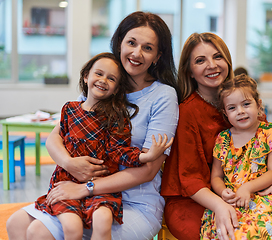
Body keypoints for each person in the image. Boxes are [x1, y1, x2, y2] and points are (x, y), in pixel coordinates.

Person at [7, 11, 179, 240]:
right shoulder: (103, 84)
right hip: (80, 192)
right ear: (120, 44)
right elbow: (54, 137)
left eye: (147, 48)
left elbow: (148, 170)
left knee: (39, 232)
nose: (137, 53)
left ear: (158, 56)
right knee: (16, 224)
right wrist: (70, 164)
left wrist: (86, 187)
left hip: (133, 201)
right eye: (131, 42)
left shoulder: (163, 95)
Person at [161, 32, 272, 240]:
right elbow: (190, 179)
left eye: (218, 57)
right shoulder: (187, 112)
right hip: (196, 200)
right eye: (200, 60)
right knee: (239, 234)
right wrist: (219, 204)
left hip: (249, 195)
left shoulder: (246, 103)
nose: (212, 65)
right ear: (189, 71)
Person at [34, 52, 173, 240]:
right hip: (68, 182)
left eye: (111, 78)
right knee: (69, 227)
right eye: (98, 74)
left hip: (102, 186)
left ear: (117, 89)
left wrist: (146, 156)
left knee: (102, 219)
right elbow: (55, 138)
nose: (103, 80)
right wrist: (68, 162)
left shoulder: (116, 117)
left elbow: (119, 151)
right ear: (86, 76)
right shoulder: (70, 109)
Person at [200, 74, 272, 239]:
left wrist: (248, 188)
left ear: (258, 105)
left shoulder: (269, 132)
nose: (241, 111)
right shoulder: (223, 138)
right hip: (230, 200)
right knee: (225, 231)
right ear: (225, 113)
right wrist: (222, 191)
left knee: (261, 230)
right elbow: (216, 176)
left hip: (260, 197)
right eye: (232, 108)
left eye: (246, 104)